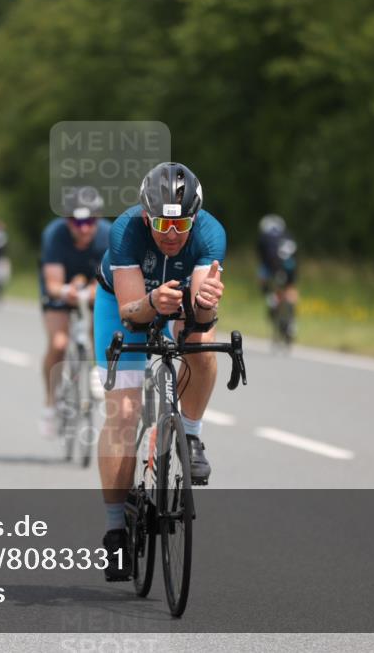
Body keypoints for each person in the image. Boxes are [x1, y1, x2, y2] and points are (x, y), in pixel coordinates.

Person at [92, 162, 225, 581]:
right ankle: (116, 530)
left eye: (181, 222)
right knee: (125, 413)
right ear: (147, 215)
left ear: (195, 217)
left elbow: (202, 313)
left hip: (176, 301)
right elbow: (132, 313)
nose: (172, 233)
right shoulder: (125, 231)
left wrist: (205, 302)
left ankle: (191, 434)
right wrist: (154, 302)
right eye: (162, 222)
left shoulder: (209, 234)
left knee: (200, 345)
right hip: (123, 305)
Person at [38, 186, 111, 438]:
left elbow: (111, 278)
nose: (83, 228)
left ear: (98, 219)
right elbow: (52, 283)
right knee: (58, 343)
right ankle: (51, 403)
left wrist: (93, 291)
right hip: (62, 289)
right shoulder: (54, 234)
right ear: (67, 221)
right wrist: (65, 291)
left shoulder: (108, 236)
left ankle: (96, 369)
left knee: (100, 326)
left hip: (95, 287)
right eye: (76, 221)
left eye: (89, 221)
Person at [257, 214, 298, 341]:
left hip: (273, 266)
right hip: (291, 266)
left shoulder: (264, 237)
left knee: (266, 281)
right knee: (290, 289)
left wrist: (264, 286)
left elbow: (262, 259)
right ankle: (292, 320)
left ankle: (271, 300)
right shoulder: (288, 235)